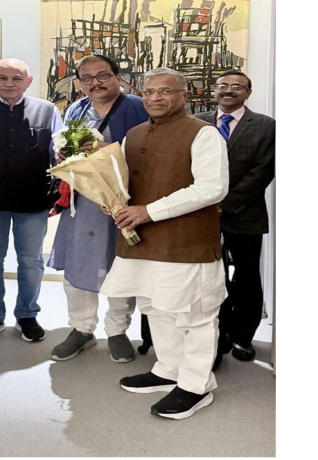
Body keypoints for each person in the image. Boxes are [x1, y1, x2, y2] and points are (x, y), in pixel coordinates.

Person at [100, 68, 229, 420]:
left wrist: (147, 212)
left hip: (186, 242)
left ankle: (196, 386)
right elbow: (126, 185)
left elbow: (211, 188)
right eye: (150, 91)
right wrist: (111, 199)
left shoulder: (203, 134)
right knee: (155, 305)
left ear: (184, 96)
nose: (156, 97)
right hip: (141, 241)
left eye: (165, 91)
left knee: (194, 315)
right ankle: (168, 369)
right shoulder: (134, 133)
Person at [47, 54, 147, 362]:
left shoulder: (139, 108)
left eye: (103, 75)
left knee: (121, 265)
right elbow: (65, 151)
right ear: (79, 82)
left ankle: (117, 330)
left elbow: (149, 156)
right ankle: (81, 328)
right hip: (82, 203)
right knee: (78, 265)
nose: (95, 83)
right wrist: (62, 153)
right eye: (87, 78)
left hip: (124, 203)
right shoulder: (77, 109)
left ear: (118, 77)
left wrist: (106, 151)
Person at [0, 58, 63, 344]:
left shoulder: (46, 111)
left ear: (28, 81)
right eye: (3, 78)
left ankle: (27, 315)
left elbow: (59, 150)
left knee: (31, 261)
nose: (10, 83)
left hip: (33, 200)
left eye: (17, 78)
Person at [194, 70, 275, 368]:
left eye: (237, 87)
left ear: (248, 92)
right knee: (207, 275)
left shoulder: (266, 126)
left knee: (246, 276)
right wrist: (202, 203)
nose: (229, 90)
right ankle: (216, 334)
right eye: (223, 86)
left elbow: (263, 172)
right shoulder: (195, 122)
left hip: (246, 213)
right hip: (199, 213)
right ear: (214, 90)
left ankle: (243, 336)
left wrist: (224, 205)